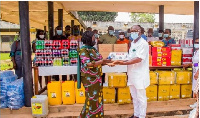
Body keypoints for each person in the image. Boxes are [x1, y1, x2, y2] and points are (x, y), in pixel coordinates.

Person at [112, 25, 150, 118]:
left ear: (140, 32)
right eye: (131, 31)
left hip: (140, 75)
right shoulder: (132, 42)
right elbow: (130, 57)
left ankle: (142, 115)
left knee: (141, 97)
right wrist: (118, 60)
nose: (133, 32)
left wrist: (121, 63)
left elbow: (138, 59)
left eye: (135, 31)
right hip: (132, 74)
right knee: (134, 97)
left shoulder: (143, 43)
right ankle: (136, 114)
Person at [79, 31, 112, 117]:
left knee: (97, 99)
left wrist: (107, 62)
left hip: (97, 77)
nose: (95, 39)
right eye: (94, 37)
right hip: (89, 78)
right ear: (89, 38)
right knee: (92, 99)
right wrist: (102, 61)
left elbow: (98, 62)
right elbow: (88, 64)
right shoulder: (83, 49)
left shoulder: (93, 49)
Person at [183, 38, 199, 115]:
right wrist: (189, 64)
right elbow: (196, 63)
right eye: (195, 42)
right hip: (195, 70)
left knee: (198, 88)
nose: (196, 44)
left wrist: (198, 73)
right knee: (195, 88)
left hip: (198, 72)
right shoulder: (196, 52)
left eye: (198, 42)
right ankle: (197, 102)